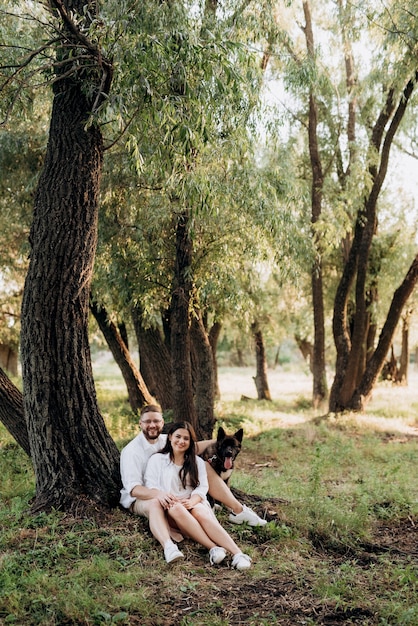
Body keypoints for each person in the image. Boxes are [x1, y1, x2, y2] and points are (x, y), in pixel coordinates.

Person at [120, 404, 266, 563]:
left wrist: (223, 441)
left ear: (163, 423)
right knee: (161, 503)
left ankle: (238, 515)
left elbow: (192, 449)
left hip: (184, 497)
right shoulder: (133, 451)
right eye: (147, 421)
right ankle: (172, 547)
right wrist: (161, 494)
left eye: (156, 421)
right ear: (140, 423)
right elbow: (134, 489)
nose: (152, 425)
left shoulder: (166, 440)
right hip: (144, 497)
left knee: (202, 474)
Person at [144, 421, 252, 570]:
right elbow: (151, 485)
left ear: (191, 442)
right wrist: (165, 496)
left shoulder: (197, 462)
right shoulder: (157, 460)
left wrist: (192, 501)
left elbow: (202, 486)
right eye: (178, 437)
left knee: (200, 510)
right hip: (171, 507)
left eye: (186, 438)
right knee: (176, 508)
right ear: (169, 437)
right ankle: (213, 547)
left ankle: (238, 554)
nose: (181, 441)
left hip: (193, 502)